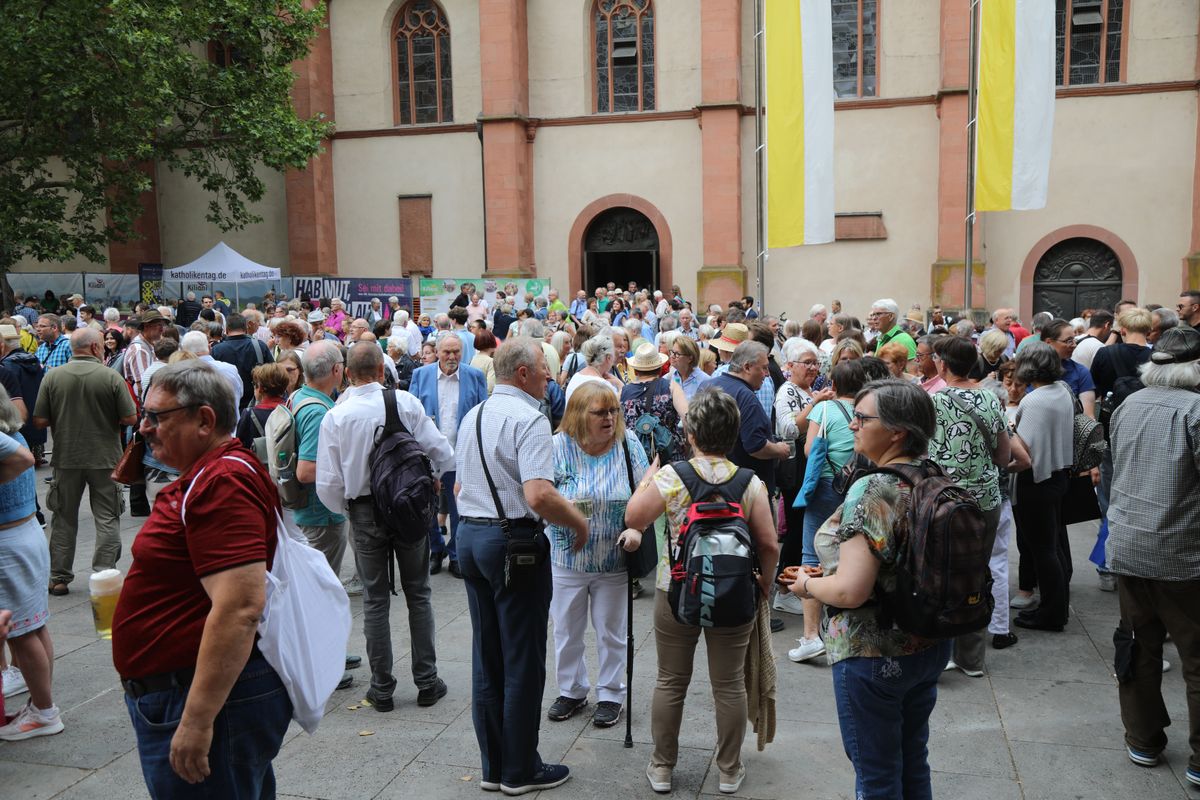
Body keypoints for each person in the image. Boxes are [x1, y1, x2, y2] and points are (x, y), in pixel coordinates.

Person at [111, 362, 291, 795]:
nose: (145, 429)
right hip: (187, 691)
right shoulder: (211, 474)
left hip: (196, 696)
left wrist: (196, 720)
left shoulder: (222, 480)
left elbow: (240, 608)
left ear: (204, 420)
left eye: (157, 417)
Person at [785, 379, 952, 799]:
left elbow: (850, 593)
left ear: (897, 432)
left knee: (876, 775)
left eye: (862, 418)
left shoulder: (876, 487)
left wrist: (807, 584)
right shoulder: (931, 473)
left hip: (874, 650)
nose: (853, 425)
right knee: (913, 759)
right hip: (928, 640)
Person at [624, 388, 778, 795]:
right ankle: (729, 770)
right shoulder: (749, 482)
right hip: (734, 593)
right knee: (728, 684)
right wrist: (765, 581)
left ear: (691, 433)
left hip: (675, 589)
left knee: (671, 680)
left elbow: (635, 516)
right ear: (733, 433)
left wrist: (644, 483)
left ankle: (661, 767)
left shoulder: (673, 476)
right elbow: (769, 544)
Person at [454, 338, 589, 795]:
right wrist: (578, 521)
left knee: (487, 658)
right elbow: (538, 495)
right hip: (513, 544)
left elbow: (458, 489)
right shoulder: (529, 418)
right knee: (523, 659)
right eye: (546, 373)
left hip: (471, 537)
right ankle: (519, 769)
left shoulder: (473, 415)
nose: (551, 381)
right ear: (525, 374)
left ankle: (494, 766)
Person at [317, 344, 454, 711]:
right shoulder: (406, 403)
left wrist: (348, 510)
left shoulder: (337, 416)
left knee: (375, 601)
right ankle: (426, 682)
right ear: (382, 370)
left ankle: (382, 689)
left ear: (347, 374)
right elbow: (442, 452)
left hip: (365, 514)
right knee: (419, 595)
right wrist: (433, 479)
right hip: (409, 509)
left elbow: (328, 483)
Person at [1104, 327, 1200, 786]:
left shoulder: (1129, 405)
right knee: (1195, 655)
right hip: (1182, 553)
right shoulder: (1197, 410)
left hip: (1129, 545)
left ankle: (1143, 738)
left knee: (1138, 643)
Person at [545, 383, 650, 727]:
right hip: (567, 556)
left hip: (614, 559)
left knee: (611, 631)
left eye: (613, 411)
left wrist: (638, 528)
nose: (609, 418)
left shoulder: (627, 443)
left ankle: (611, 693)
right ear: (578, 414)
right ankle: (572, 689)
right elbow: (539, 496)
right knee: (566, 628)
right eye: (600, 412)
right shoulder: (557, 446)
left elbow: (647, 494)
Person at [926, 335, 1013, 675]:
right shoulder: (991, 399)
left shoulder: (932, 401)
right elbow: (1004, 456)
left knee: (940, 572)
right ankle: (972, 658)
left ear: (943, 364)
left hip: (944, 500)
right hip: (985, 499)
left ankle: (941, 648)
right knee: (977, 571)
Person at [33, 329, 137, 596]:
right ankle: (103, 575)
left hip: (66, 458)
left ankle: (58, 578)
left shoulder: (53, 377)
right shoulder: (111, 376)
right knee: (107, 517)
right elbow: (130, 418)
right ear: (94, 347)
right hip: (105, 458)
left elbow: (40, 421)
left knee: (63, 518)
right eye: (102, 345)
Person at [0, 389, 58, 740]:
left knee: (23, 632)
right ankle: (41, 705)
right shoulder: (11, 429)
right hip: (24, 534)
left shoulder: (10, 440)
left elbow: (22, 458)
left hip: (11, 543)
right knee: (34, 627)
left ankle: (45, 711)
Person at [409, 334, 487, 577]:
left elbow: (482, 411)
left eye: (457, 352)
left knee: (458, 509)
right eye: (447, 352)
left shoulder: (474, 376)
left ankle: (456, 555)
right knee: (428, 507)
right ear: (437, 352)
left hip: (461, 453)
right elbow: (412, 411)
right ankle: (436, 550)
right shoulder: (421, 375)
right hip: (427, 453)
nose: (452, 357)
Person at [1010, 343, 1075, 632]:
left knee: (1043, 550)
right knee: (1053, 547)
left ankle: (1051, 614)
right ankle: (1056, 608)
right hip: (1057, 475)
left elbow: (1022, 454)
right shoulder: (1063, 389)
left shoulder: (1035, 400)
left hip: (1036, 481)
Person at [620, 343, 688, 463]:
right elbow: (687, 417)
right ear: (660, 368)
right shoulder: (672, 387)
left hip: (636, 459)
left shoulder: (623, 393)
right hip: (670, 456)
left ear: (635, 371)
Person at [0, 325, 47, 467]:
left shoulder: (6, 367)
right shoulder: (33, 359)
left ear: (3, 345)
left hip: (15, 425)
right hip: (35, 419)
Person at [212, 313, 274, 411]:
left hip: (226, 406)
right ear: (245, 328)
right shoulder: (260, 346)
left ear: (226, 329)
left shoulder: (216, 350)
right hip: (256, 405)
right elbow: (273, 373)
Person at [179, 331, 242, 420]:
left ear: (183, 352)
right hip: (230, 429)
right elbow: (239, 393)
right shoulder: (230, 369)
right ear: (209, 347)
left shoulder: (181, 374)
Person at [1041, 318, 1097, 416]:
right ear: (1048, 342)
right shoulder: (1030, 370)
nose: (1074, 345)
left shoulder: (1081, 372)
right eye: (1069, 341)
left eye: (1074, 340)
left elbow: (1088, 417)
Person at [234, 363, 289, 452]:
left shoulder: (249, 414)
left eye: (255, 384)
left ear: (260, 388)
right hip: (283, 464)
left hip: (256, 463)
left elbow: (239, 447)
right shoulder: (289, 410)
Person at [565, 334, 622, 402]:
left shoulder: (576, 376)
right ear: (608, 358)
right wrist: (621, 386)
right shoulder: (603, 385)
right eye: (613, 356)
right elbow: (616, 407)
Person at [472, 330, 499, 395]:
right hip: (484, 397)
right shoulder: (490, 361)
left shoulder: (474, 358)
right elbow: (490, 387)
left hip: (474, 393)